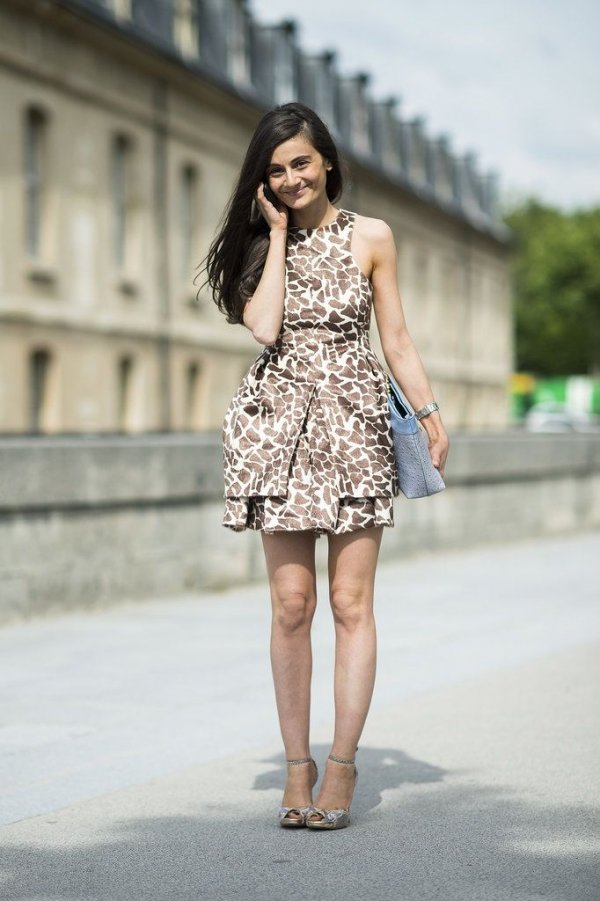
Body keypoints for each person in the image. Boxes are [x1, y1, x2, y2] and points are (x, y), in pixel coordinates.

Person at [202, 102, 449, 830]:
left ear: (327, 160)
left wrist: (430, 413)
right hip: (275, 429)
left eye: (301, 163)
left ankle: (341, 764)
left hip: (354, 427)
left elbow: (396, 337)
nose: (290, 179)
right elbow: (267, 326)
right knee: (290, 605)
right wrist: (275, 236)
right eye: (275, 171)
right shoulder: (256, 243)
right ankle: (296, 766)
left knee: (349, 604)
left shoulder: (372, 236)